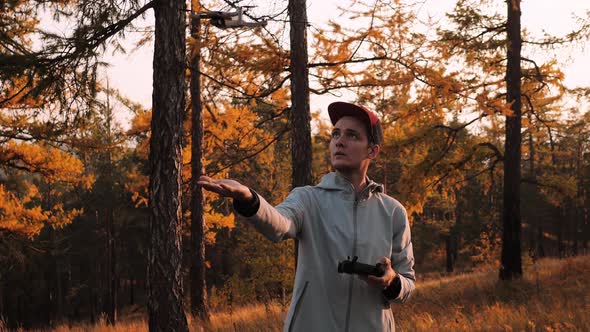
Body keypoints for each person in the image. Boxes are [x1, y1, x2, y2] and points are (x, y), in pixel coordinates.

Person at [198, 101, 415, 332]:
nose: (339, 141)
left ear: (372, 150)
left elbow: (408, 284)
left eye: (352, 136)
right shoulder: (307, 199)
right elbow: (279, 224)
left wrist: (391, 281)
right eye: (336, 134)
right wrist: (249, 199)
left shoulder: (393, 212)